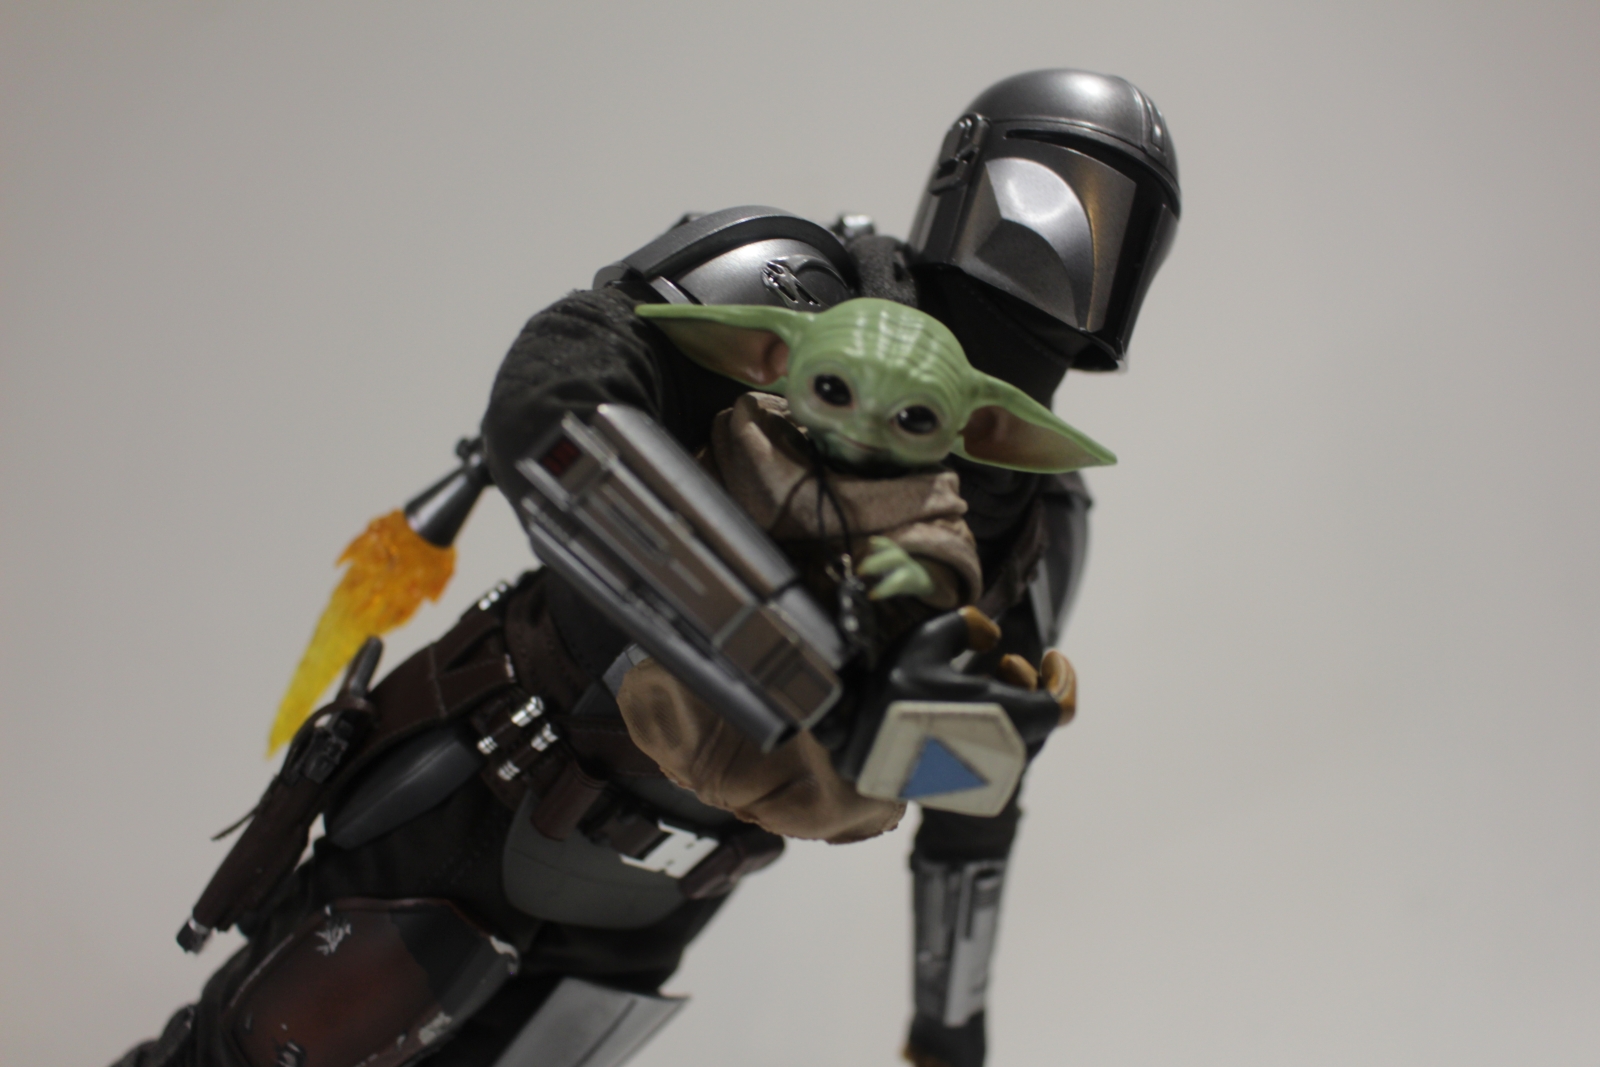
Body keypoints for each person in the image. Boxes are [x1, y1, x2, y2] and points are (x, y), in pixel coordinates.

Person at [112, 68, 1181, 1067]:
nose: (1079, 248)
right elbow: (554, 415)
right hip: (497, 789)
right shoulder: (786, 291)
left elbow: (967, 802)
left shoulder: (1037, 517)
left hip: (667, 890)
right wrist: (817, 676)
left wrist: (950, 1014)